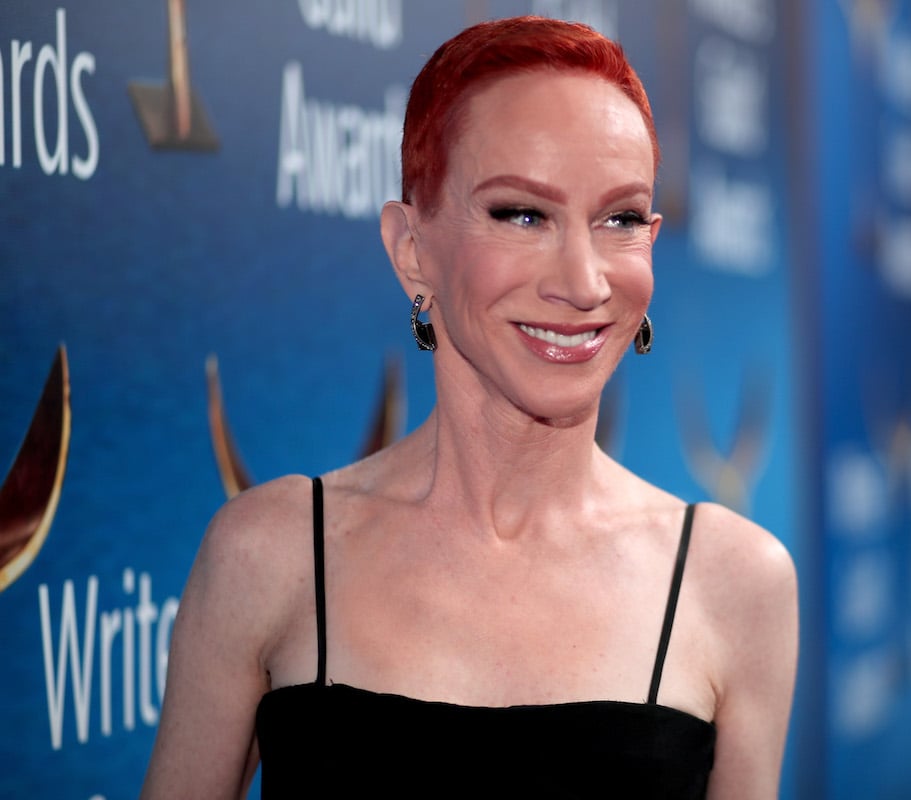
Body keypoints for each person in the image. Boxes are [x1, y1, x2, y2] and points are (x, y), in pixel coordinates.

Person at [141, 16, 798, 799]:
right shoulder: (269, 557)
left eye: (620, 219)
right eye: (521, 214)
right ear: (411, 250)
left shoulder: (733, 582)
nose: (584, 282)